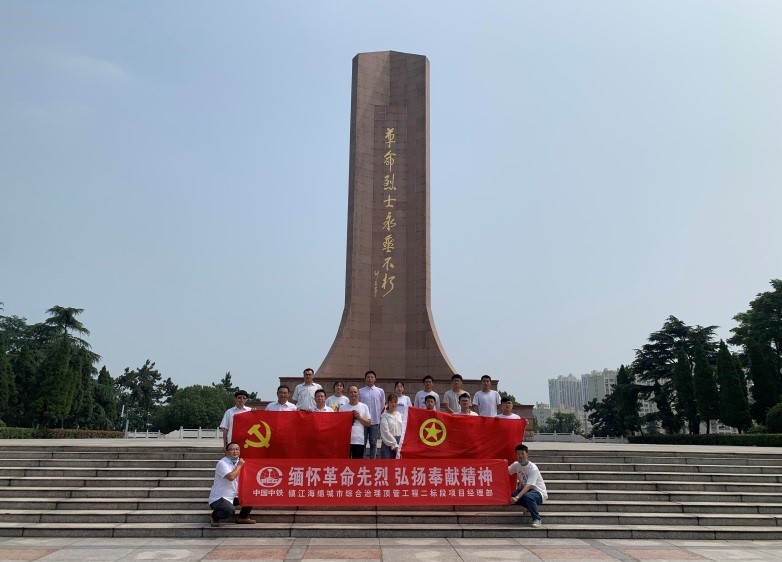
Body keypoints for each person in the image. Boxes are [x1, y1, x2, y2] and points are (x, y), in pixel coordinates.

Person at [208, 442, 255, 526]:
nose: (235, 451)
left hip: (233, 496)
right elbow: (231, 477)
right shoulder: (222, 463)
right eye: (232, 449)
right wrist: (239, 466)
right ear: (226, 452)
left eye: (237, 449)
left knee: (252, 495)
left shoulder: (240, 462)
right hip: (219, 498)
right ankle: (214, 516)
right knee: (229, 511)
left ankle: (243, 517)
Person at [508, 444, 548, 527]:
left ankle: (537, 519)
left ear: (527, 454)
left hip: (538, 492)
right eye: (518, 454)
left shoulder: (533, 468)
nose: (520, 456)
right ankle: (530, 506)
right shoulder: (516, 465)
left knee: (527, 496)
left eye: (522, 453)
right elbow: (506, 471)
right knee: (512, 496)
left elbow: (529, 485)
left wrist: (517, 497)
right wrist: (502, 463)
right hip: (527, 492)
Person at [358, 370, 385, 459]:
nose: (370, 379)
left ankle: (372, 462)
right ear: (365, 379)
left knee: (373, 442)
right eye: (368, 377)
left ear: (375, 379)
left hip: (375, 421)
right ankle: (362, 462)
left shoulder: (380, 391)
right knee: (363, 442)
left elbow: (382, 405)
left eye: (372, 377)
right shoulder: (360, 391)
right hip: (363, 421)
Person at [340, 385, 371, 458]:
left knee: (357, 463)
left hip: (358, 440)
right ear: (348, 394)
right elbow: (340, 425)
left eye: (355, 392)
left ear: (358, 394)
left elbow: (368, 423)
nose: (353, 394)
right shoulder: (343, 408)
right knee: (345, 463)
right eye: (351, 392)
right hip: (346, 441)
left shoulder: (364, 406)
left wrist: (359, 417)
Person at [380, 394, 403, 459]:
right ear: (388, 403)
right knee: (387, 464)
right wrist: (394, 444)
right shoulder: (384, 416)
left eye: (395, 402)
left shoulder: (399, 415)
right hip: (387, 442)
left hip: (399, 441)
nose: (393, 404)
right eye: (391, 402)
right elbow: (385, 432)